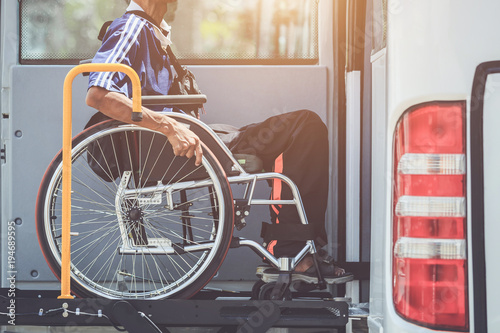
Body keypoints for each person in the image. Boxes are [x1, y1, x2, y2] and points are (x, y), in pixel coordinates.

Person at [86, 0, 349, 280]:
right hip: (170, 146)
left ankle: (290, 246)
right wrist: (170, 127)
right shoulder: (131, 28)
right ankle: (290, 249)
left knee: (293, 132)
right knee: (304, 126)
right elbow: (99, 95)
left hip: (191, 138)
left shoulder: (153, 30)